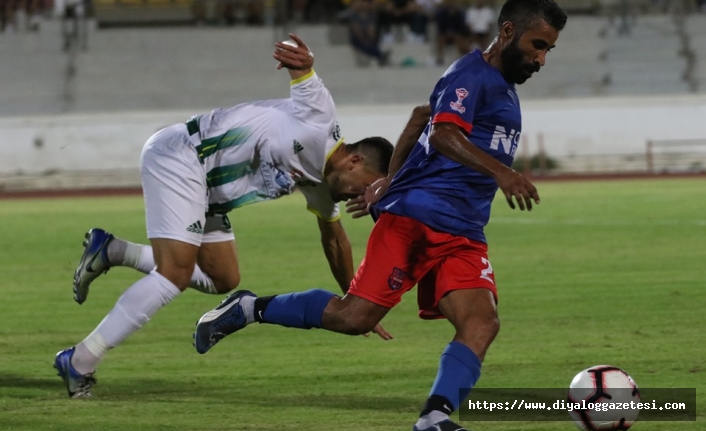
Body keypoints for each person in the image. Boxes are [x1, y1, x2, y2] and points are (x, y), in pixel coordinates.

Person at [193, 0, 567, 430]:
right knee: (354, 318)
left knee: (482, 322)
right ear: (506, 32)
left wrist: (390, 178)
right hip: (416, 220)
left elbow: (420, 118)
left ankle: (435, 417)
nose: (540, 59)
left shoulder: (502, 89)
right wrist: (502, 172)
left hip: (464, 231)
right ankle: (250, 308)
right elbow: (443, 132)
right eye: (537, 45)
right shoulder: (471, 74)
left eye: (547, 51)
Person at [53, 33, 395, 399]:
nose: (363, 195)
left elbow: (334, 240)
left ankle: (114, 251)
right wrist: (305, 63)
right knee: (175, 274)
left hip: (207, 193)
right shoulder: (320, 120)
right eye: (366, 185)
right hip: (183, 156)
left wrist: (353, 300)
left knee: (222, 277)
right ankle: (80, 360)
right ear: (355, 160)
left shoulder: (321, 186)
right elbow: (306, 80)